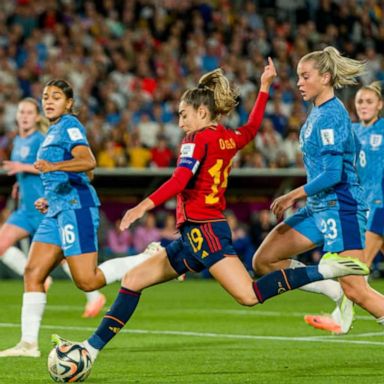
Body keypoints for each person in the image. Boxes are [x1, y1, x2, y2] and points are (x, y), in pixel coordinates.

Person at [52, 59, 368, 370]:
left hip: (206, 231)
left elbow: (179, 180)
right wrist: (264, 89)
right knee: (133, 280)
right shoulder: (226, 138)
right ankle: (90, 350)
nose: (179, 123)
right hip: (195, 233)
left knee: (249, 295)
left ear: (202, 112)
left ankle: (327, 272)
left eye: (183, 115)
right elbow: (253, 128)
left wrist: (142, 206)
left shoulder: (196, 140)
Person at [0, 80, 163, 358]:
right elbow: (83, 175)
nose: (49, 101)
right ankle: (28, 344)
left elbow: (88, 162)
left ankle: (148, 257)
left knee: (88, 281)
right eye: (45, 97)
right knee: (33, 272)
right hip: (55, 211)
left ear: (69, 103)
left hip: (76, 209)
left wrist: (54, 166)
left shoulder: (70, 126)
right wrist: (50, 197)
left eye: (56, 97)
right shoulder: (52, 132)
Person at [251, 47, 384, 335]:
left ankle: (340, 286)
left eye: (305, 76)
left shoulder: (332, 114)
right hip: (317, 208)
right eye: (298, 76)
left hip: (341, 208)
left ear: (325, 77)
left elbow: (334, 174)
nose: (299, 82)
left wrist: (292, 195)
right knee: (264, 260)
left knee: (358, 292)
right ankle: (330, 286)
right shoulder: (316, 113)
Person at [0, 97, 107, 319]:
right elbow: (31, 169)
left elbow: (50, 165)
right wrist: (19, 182)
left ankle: (94, 295)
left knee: (66, 256)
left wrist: (23, 167)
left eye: (29, 112)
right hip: (25, 209)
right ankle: (42, 278)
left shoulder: (43, 139)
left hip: (48, 207)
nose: (25, 116)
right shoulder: (18, 141)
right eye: (21, 112)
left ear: (37, 116)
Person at [304, 80, 384, 334]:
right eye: (360, 101)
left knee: (357, 266)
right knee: (356, 266)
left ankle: (340, 318)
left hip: (379, 204)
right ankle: (341, 316)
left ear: (380, 105)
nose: (363, 105)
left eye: (370, 101)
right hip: (363, 204)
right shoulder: (352, 130)